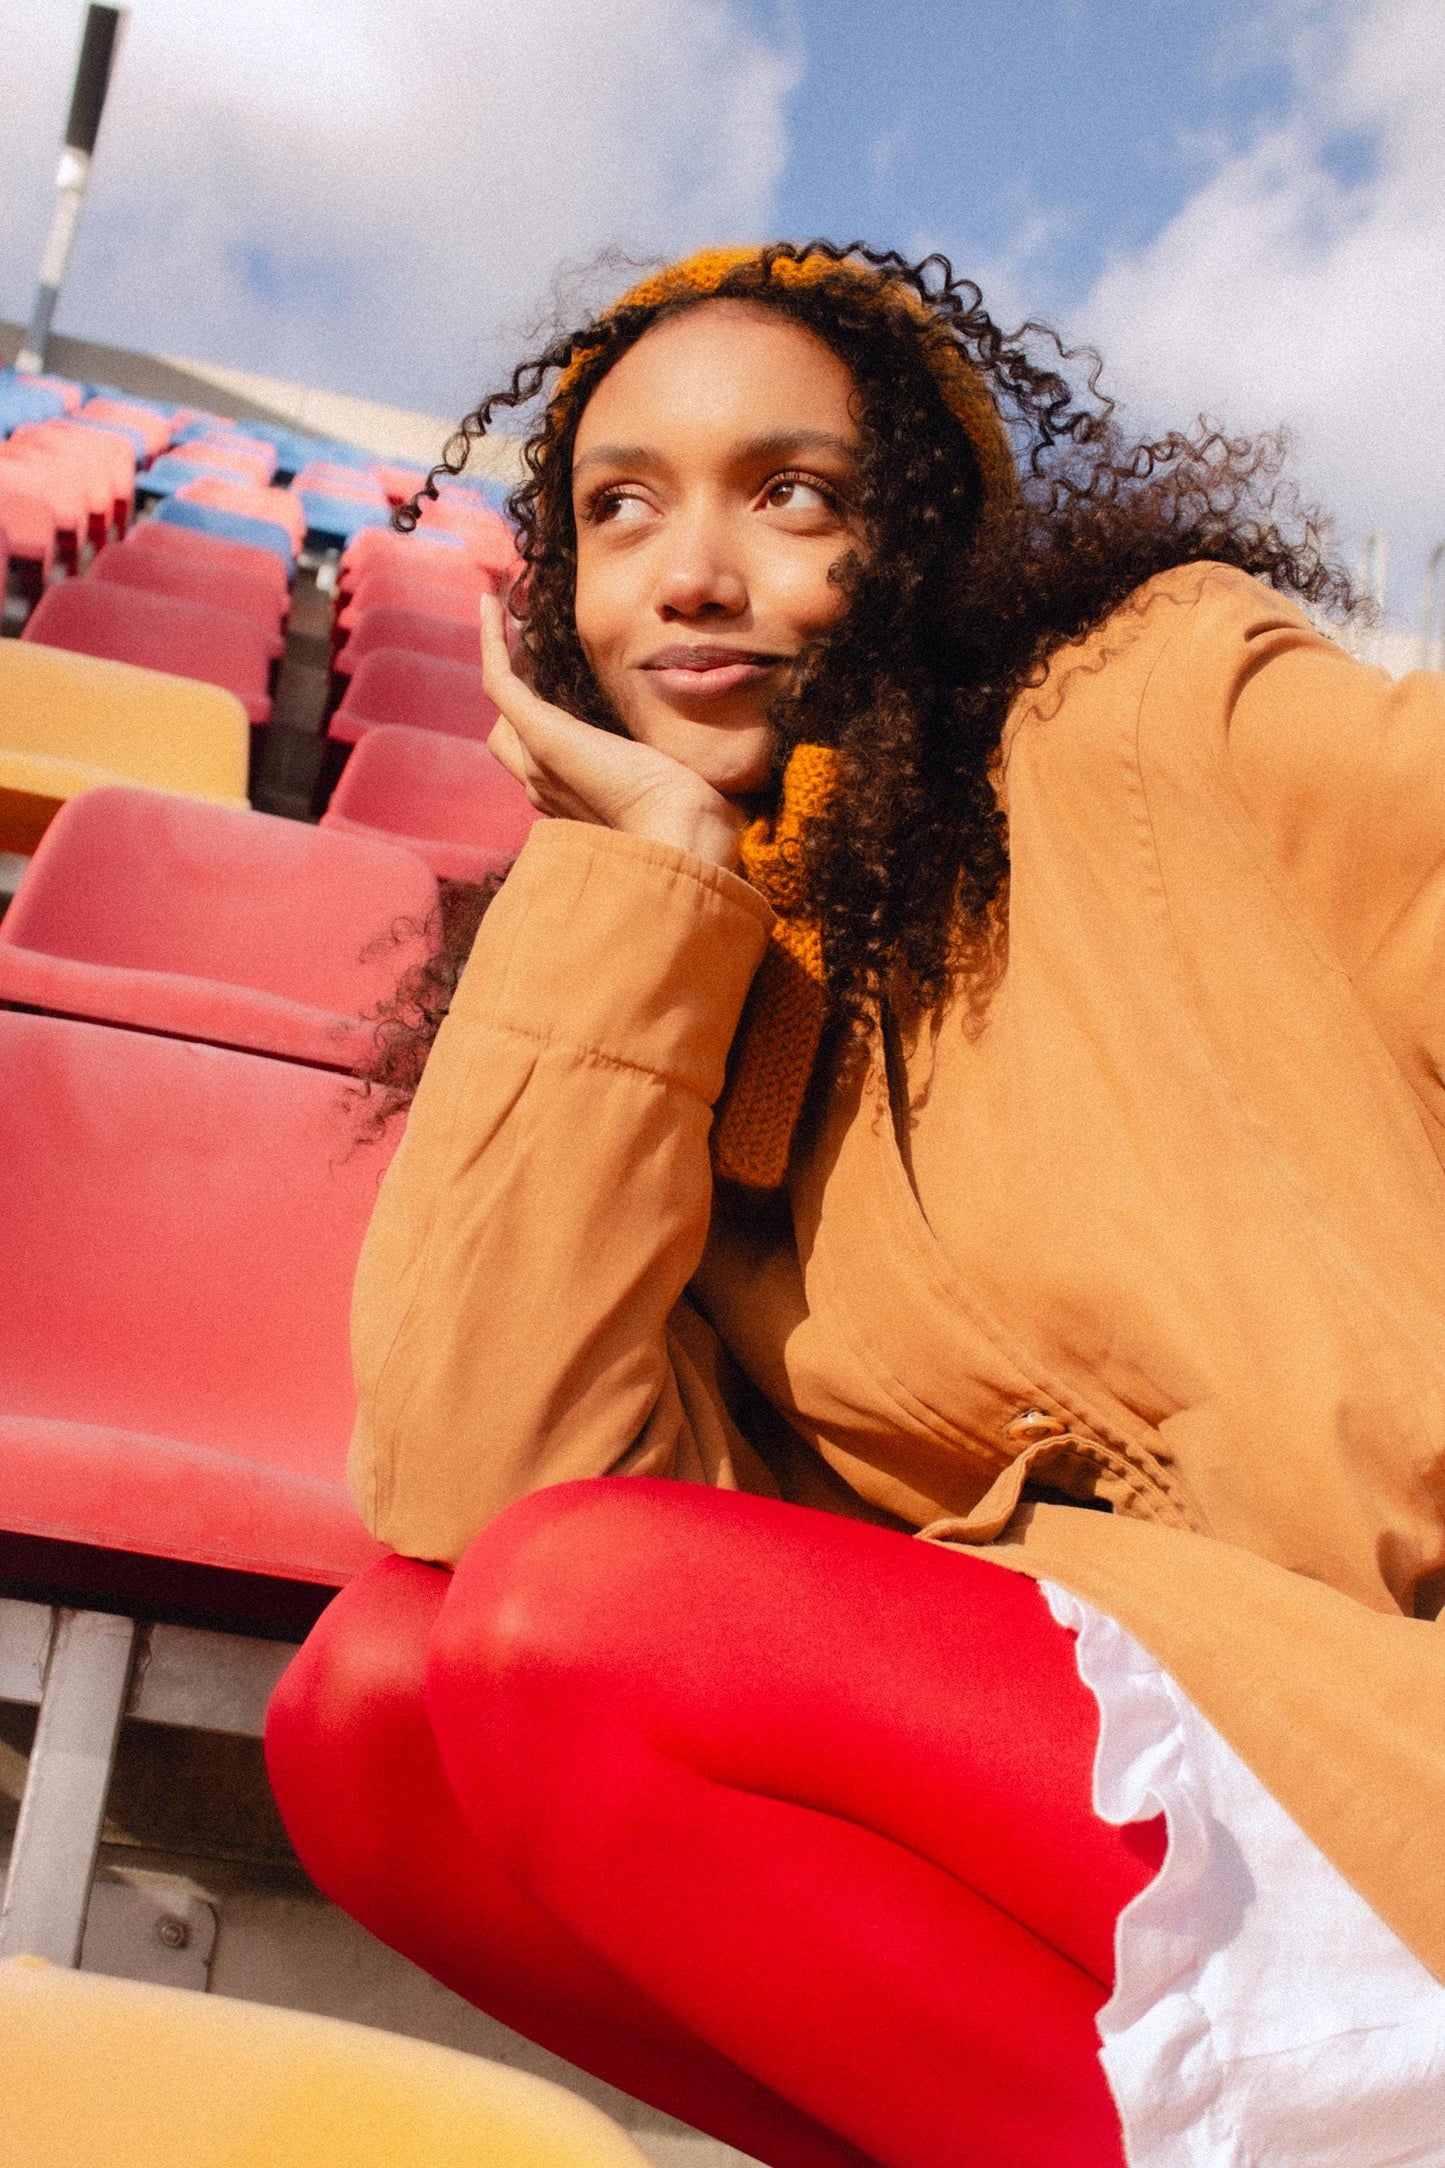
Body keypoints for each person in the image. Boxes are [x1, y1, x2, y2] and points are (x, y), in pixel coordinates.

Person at [266, 243, 1445, 2168]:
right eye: (618, 509)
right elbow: (475, 1492)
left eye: (787, 494)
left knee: (566, 1617)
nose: (691, 574)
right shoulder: (676, 978)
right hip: (1095, 1807)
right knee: (375, 1711)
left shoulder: (1146, 719)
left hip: (1380, 1738)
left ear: (920, 540)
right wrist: (648, 881)